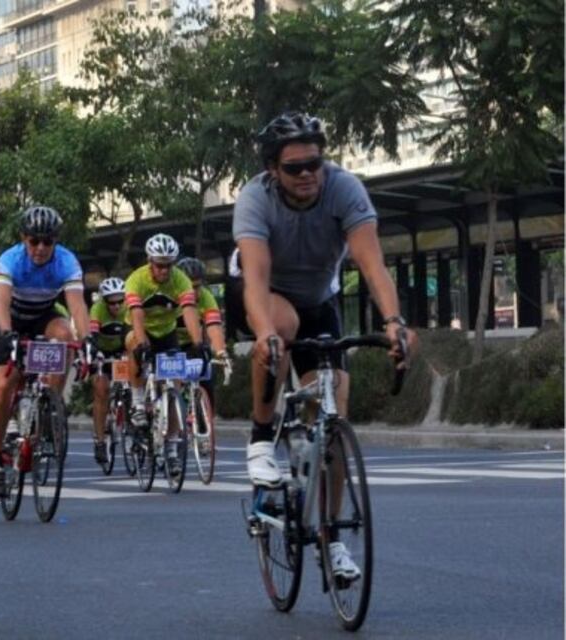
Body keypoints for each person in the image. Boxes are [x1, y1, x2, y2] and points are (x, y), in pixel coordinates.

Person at [234, 111, 411, 581]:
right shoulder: (255, 198)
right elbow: (254, 278)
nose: (308, 174)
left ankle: (331, 539)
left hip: (322, 299)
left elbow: (372, 265)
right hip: (265, 295)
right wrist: (265, 332)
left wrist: (393, 321)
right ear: (274, 170)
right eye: (295, 168)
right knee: (282, 325)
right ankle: (259, 436)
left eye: (315, 163)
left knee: (333, 412)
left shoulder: (343, 188)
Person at [0, 205, 93, 497]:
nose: (41, 248)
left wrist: (87, 339)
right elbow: (1, 304)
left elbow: (77, 305)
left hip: (43, 315)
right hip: (10, 320)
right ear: (24, 238)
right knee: (5, 381)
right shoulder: (10, 260)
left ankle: (50, 405)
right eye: (34, 241)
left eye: (48, 241)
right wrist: (8, 336)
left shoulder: (67, 261)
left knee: (65, 335)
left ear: (56, 241)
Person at [123, 234, 208, 478]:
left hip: (167, 333)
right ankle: (139, 400)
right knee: (132, 345)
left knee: (175, 387)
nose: (164, 270)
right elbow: (137, 314)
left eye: (168, 264)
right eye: (159, 265)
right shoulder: (136, 280)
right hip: (141, 329)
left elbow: (190, 312)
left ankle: (171, 446)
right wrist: (142, 343)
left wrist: (198, 342)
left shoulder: (180, 280)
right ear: (150, 262)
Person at [175, 257, 229, 406]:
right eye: (188, 287)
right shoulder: (170, 296)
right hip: (168, 344)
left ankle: (207, 417)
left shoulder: (206, 297)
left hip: (192, 344)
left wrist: (220, 352)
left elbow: (214, 326)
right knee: (171, 382)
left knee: (207, 380)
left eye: (197, 286)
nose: (193, 292)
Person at [88, 276, 129, 464]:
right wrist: (95, 354)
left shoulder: (128, 309)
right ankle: (100, 440)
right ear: (104, 301)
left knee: (135, 383)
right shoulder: (97, 310)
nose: (116, 306)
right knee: (101, 391)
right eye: (111, 302)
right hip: (101, 353)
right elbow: (93, 334)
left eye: (120, 301)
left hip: (121, 352)